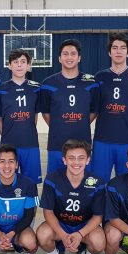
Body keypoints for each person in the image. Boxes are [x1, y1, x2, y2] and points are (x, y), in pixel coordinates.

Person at [92, 32, 128, 254]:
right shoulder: (99, 77)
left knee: (126, 188)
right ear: (109, 51)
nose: (118, 51)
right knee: (99, 187)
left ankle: (126, 232)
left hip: (126, 142)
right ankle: (96, 229)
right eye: (114, 47)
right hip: (103, 140)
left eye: (122, 47)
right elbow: (93, 109)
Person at [37, 139, 105, 254]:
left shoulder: (97, 182)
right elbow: (48, 212)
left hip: (84, 226)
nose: (76, 162)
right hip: (60, 225)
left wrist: (80, 234)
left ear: (88, 160)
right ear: (64, 160)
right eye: (71, 158)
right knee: (42, 235)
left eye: (81, 158)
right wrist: (62, 234)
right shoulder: (52, 179)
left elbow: (98, 216)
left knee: (99, 242)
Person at [40, 39, 99, 174]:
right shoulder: (48, 83)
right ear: (59, 58)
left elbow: (94, 111)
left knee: (84, 186)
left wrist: (79, 123)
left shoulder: (92, 83)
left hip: (83, 144)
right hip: (57, 144)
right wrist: (59, 125)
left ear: (79, 58)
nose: (69, 57)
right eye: (65, 54)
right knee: (55, 184)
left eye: (73, 54)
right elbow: (45, 112)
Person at [0, 49, 42, 184]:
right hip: (8, 145)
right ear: (10, 66)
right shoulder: (1, 89)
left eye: (23, 62)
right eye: (15, 62)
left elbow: (35, 115)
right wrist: (7, 135)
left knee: (31, 184)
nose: (19, 65)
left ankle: (30, 206)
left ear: (28, 66)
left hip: (30, 144)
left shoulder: (36, 88)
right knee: (7, 182)